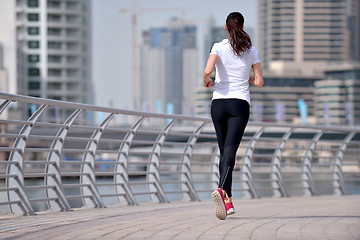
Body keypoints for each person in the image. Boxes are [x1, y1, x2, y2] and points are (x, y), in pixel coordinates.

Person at [203, 12, 263, 220]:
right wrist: (244, 76)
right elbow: (259, 82)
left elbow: (207, 70)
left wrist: (207, 80)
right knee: (230, 152)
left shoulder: (218, 46)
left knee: (224, 152)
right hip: (239, 105)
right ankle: (221, 190)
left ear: (226, 28)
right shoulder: (251, 51)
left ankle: (227, 202)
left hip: (218, 103)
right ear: (243, 27)